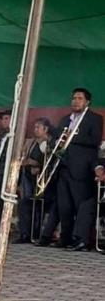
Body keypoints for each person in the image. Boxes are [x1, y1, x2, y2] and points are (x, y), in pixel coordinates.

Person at [53, 88, 103, 251]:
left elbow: (94, 140)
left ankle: (81, 240)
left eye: (79, 98)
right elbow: (56, 138)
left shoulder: (94, 118)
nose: (75, 101)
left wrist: (73, 137)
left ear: (87, 102)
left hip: (82, 168)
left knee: (81, 205)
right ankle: (65, 238)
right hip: (64, 166)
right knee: (64, 206)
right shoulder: (65, 119)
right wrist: (58, 142)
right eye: (74, 98)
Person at [17, 118, 54, 244]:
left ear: (46, 129)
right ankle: (25, 233)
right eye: (35, 127)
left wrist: (37, 165)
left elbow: (49, 161)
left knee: (37, 206)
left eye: (38, 127)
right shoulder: (31, 142)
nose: (35, 130)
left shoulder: (49, 143)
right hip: (28, 178)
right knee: (24, 203)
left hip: (44, 181)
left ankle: (36, 233)